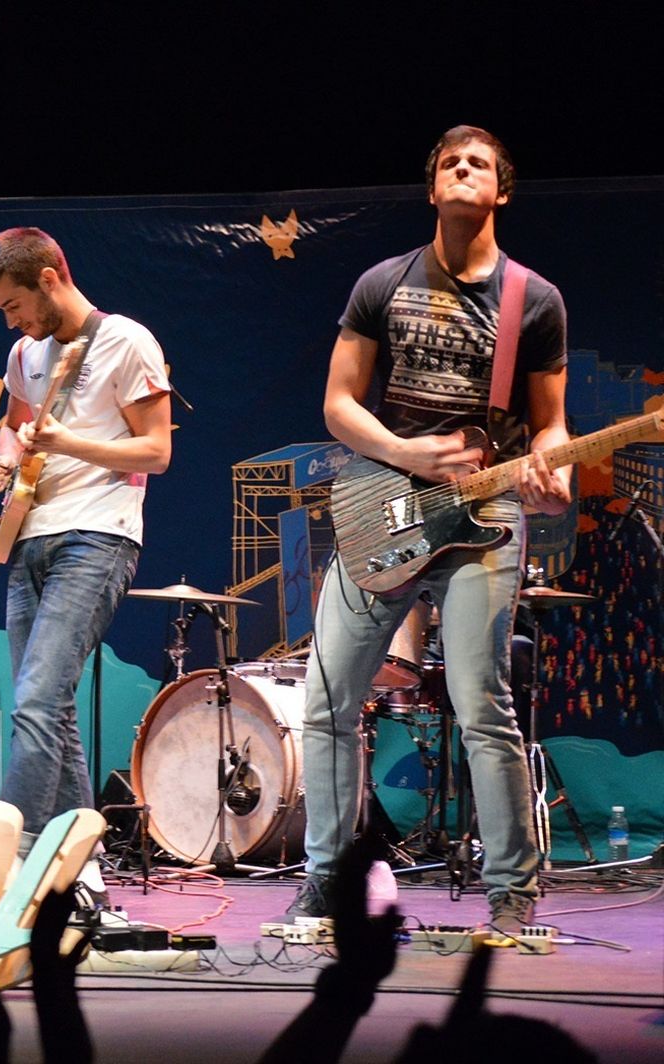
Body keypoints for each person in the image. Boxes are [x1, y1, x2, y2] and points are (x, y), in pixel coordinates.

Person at [289, 126, 570, 931]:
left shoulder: (534, 300)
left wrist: (549, 469)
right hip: (384, 506)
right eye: (450, 162)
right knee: (326, 701)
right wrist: (405, 450)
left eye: (478, 162)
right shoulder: (383, 282)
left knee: (482, 701)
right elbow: (340, 405)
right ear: (432, 188)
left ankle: (512, 897)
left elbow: (549, 426)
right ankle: (325, 887)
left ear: (500, 192)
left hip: (486, 517)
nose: (463, 169)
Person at [0, 228, 173, 891]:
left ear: (50, 279)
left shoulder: (126, 341)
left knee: (35, 699)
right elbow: (16, 421)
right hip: (30, 535)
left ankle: (18, 864)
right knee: (48, 707)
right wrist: (7, 457)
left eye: (14, 305)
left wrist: (71, 442)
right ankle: (81, 866)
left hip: (98, 535)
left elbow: (157, 452)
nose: (13, 321)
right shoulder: (25, 353)